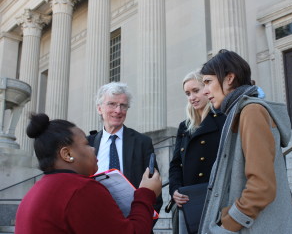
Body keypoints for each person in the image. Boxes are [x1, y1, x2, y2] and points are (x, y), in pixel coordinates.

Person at [198, 49, 292, 234]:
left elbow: (261, 187)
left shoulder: (251, 111)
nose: (205, 91)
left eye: (208, 82)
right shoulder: (239, 112)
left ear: (229, 78)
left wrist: (227, 225)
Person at [15, 113, 162, 234]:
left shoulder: (35, 191)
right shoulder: (81, 189)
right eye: (86, 144)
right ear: (66, 154)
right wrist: (146, 193)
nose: (93, 149)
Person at [87, 82, 163, 226]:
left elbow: (154, 187)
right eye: (112, 104)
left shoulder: (142, 142)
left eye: (123, 105)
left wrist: (143, 224)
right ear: (99, 108)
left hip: (134, 222)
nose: (118, 110)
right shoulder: (87, 144)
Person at [168, 71, 226, 234]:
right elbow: (175, 164)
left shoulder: (222, 119)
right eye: (187, 93)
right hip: (188, 199)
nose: (191, 97)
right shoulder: (185, 126)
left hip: (214, 200)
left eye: (196, 90)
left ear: (207, 89)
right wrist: (175, 190)